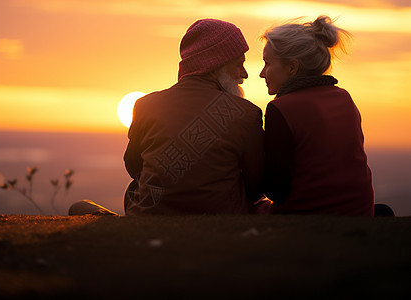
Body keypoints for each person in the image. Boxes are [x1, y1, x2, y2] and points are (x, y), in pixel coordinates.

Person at [69, 18, 265, 216]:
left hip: (147, 219)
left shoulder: (145, 105)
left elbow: (134, 167)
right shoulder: (247, 113)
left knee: (80, 207)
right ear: (215, 65)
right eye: (239, 64)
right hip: (223, 221)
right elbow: (256, 186)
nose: (245, 74)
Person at [258, 15, 376, 216]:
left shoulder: (281, 108)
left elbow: (276, 190)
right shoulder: (344, 98)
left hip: (308, 215)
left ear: (292, 67)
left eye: (267, 63)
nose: (261, 73)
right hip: (360, 211)